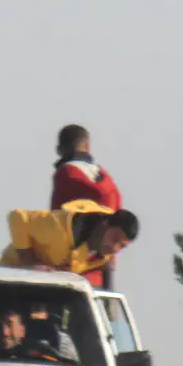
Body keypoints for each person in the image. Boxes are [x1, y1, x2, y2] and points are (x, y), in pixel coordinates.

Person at [51, 124, 122, 290]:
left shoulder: (65, 174)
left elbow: (55, 220)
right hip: (104, 268)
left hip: (71, 269)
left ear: (59, 149)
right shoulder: (104, 177)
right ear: (87, 147)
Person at [0, 198, 139, 281]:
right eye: (114, 239)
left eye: (122, 246)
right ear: (105, 224)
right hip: (9, 276)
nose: (115, 249)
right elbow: (17, 217)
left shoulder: (102, 257)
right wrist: (29, 261)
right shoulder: (58, 230)